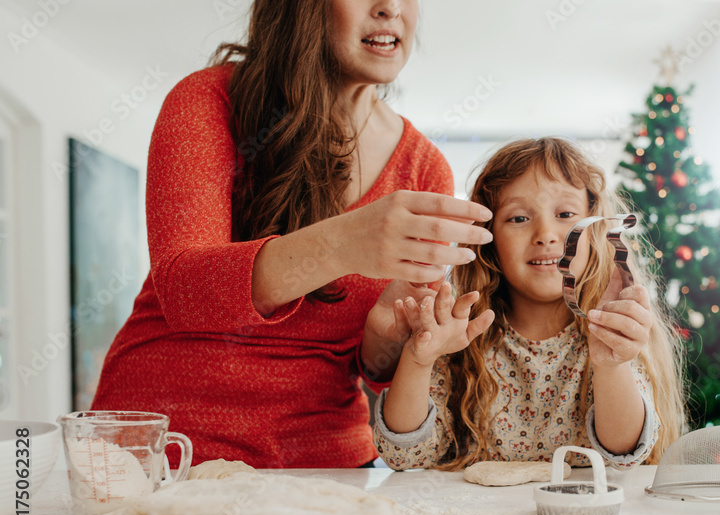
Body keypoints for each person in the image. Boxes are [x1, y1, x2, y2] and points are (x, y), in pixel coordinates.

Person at [90, 0, 494, 469]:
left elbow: (380, 371)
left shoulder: (424, 167)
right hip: (166, 449)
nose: (390, 8)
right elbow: (184, 291)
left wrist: (387, 337)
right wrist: (344, 242)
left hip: (322, 456)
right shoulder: (210, 99)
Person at [373, 138, 686, 470]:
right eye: (519, 218)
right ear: (488, 241)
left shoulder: (612, 330)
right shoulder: (456, 334)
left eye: (566, 214)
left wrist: (610, 366)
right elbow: (403, 456)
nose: (546, 234)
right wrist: (418, 360)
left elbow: (624, 454)